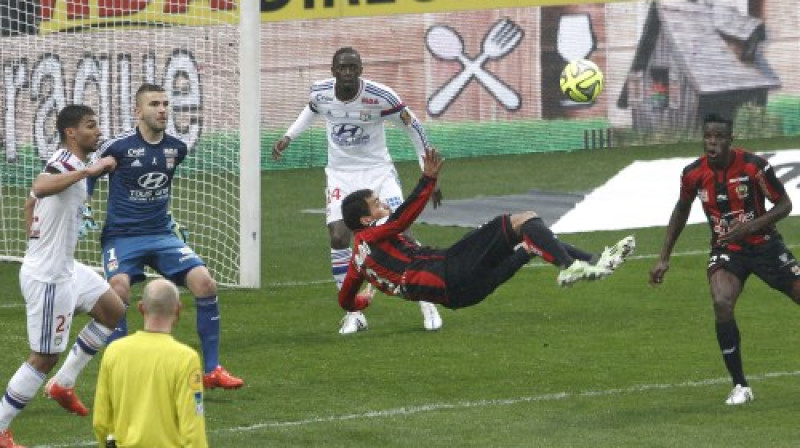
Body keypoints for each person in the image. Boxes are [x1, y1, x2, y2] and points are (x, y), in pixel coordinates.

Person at [273, 46, 446, 334]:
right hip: (341, 175)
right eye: (342, 67)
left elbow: (413, 127)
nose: (348, 72)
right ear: (333, 70)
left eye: (353, 67)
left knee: (400, 232)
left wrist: (426, 172)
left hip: (378, 172)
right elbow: (312, 110)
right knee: (339, 236)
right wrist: (288, 136)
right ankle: (354, 311)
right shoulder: (320, 92)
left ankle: (427, 299)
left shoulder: (381, 96)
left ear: (361, 70)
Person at [339, 147, 635, 315]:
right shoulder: (372, 232)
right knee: (524, 220)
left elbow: (345, 301)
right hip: (450, 271)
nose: (383, 206)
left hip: (461, 296)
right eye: (376, 204)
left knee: (528, 241)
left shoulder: (357, 262)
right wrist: (427, 180)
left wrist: (365, 299)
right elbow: (400, 221)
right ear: (366, 220)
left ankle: (595, 262)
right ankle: (571, 266)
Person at [88, 83, 243, 389]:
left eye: (165, 104)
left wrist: (170, 219)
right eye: (154, 104)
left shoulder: (177, 148)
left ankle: (212, 369)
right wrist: (84, 210)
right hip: (122, 237)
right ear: (138, 111)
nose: (162, 110)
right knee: (117, 291)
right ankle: (118, 374)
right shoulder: (117, 147)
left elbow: (159, 187)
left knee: (205, 283)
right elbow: (90, 176)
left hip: (161, 235)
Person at [649, 114, 800, 405]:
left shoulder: (754, 166)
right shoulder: (693, 173)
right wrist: (663, 257)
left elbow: (785, 204)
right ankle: (740, 386)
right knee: (721, 301)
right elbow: (681, 209)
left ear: (730, 139)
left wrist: (750, 227)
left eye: (719, 137)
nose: (712, 142)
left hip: (765, 245)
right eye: (708, 136)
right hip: (727, 250)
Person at [0, 105, 125, 448]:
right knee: (43, 357)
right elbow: (39, 188)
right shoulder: (66, 164)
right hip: (50, 278)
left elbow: (29, 204)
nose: (97, 131)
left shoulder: (68, 162)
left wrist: (36, 242)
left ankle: (63, 384)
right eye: (90, 125)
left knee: (113, 310)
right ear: (72, 133)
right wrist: (90, 171)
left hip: (64, 267)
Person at [93, 278, 208, 448]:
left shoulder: (115, 351)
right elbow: (192, 423)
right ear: (178, 309)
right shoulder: (186, 358)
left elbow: (100, 419)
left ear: (141, 308)